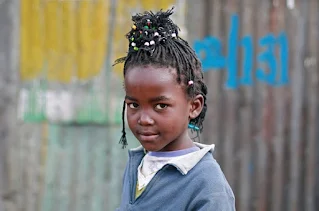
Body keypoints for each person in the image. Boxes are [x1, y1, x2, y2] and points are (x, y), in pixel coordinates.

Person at [114, 8, 235, 211]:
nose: (143, 119)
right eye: (134, 105)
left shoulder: (207, 185)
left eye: (160, 106)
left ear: (194, 107)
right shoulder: (138, 164)